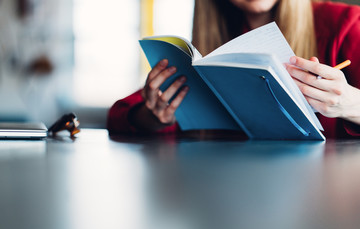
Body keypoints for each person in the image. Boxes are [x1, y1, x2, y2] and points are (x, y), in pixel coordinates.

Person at [107, 0, 360, 139]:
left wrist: (352, 104)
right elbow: (121, 113)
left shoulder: (347, 25)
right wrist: (154, 115)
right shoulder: (211, 43)